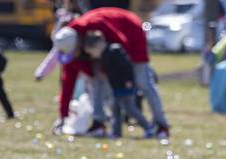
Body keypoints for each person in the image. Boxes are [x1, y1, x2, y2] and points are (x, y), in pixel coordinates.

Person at [52, 7, 169, 138]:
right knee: (96, 82)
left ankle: (161, 125)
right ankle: (98, 123)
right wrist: (63, 116)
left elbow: (121, 46)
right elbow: (68, 83)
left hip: (131, 33)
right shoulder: (70, 47)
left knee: (144, 82)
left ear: (79, 43)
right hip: (106, 50)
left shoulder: (95, 25)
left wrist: (113, 73)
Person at [83, 30, 154, 138]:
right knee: (115, 110)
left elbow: (126, 66)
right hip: (116, 87)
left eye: (92, 52)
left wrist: (129, 81)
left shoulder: (114, 50)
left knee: (131, 109)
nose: (92, 55)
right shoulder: (105, 55)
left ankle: (148, 127)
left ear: (97, 45)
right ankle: (116, 133)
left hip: (126, 86)